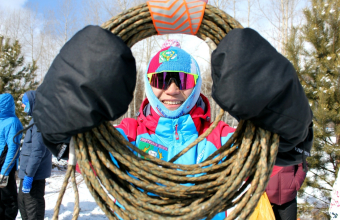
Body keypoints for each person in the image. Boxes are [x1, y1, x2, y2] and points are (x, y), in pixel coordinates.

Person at [30, 26, 313, 219]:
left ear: (197, 83)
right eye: (162, 79)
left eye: (183, 79)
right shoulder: (125, 138)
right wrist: (56, 112)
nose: (173, 89)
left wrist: (286, 114)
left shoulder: (224, 139)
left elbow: (279, 155)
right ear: (149, 85)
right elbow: (73, 149)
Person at [17, 90, 52, 220]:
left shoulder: (40, 121)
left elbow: (38, 151)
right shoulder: (35, 119)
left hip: (34, 175)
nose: (22, 106)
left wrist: (29, 176)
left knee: (33, 209)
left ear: (33, 103)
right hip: (27, 172)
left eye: (24, 103)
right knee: (23, 205)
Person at [0, 93, 23, 220]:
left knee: (8, 199)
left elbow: (12, 149)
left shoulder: (12, 122)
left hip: (5, 167)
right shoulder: (1, 120)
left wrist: (5, 171)